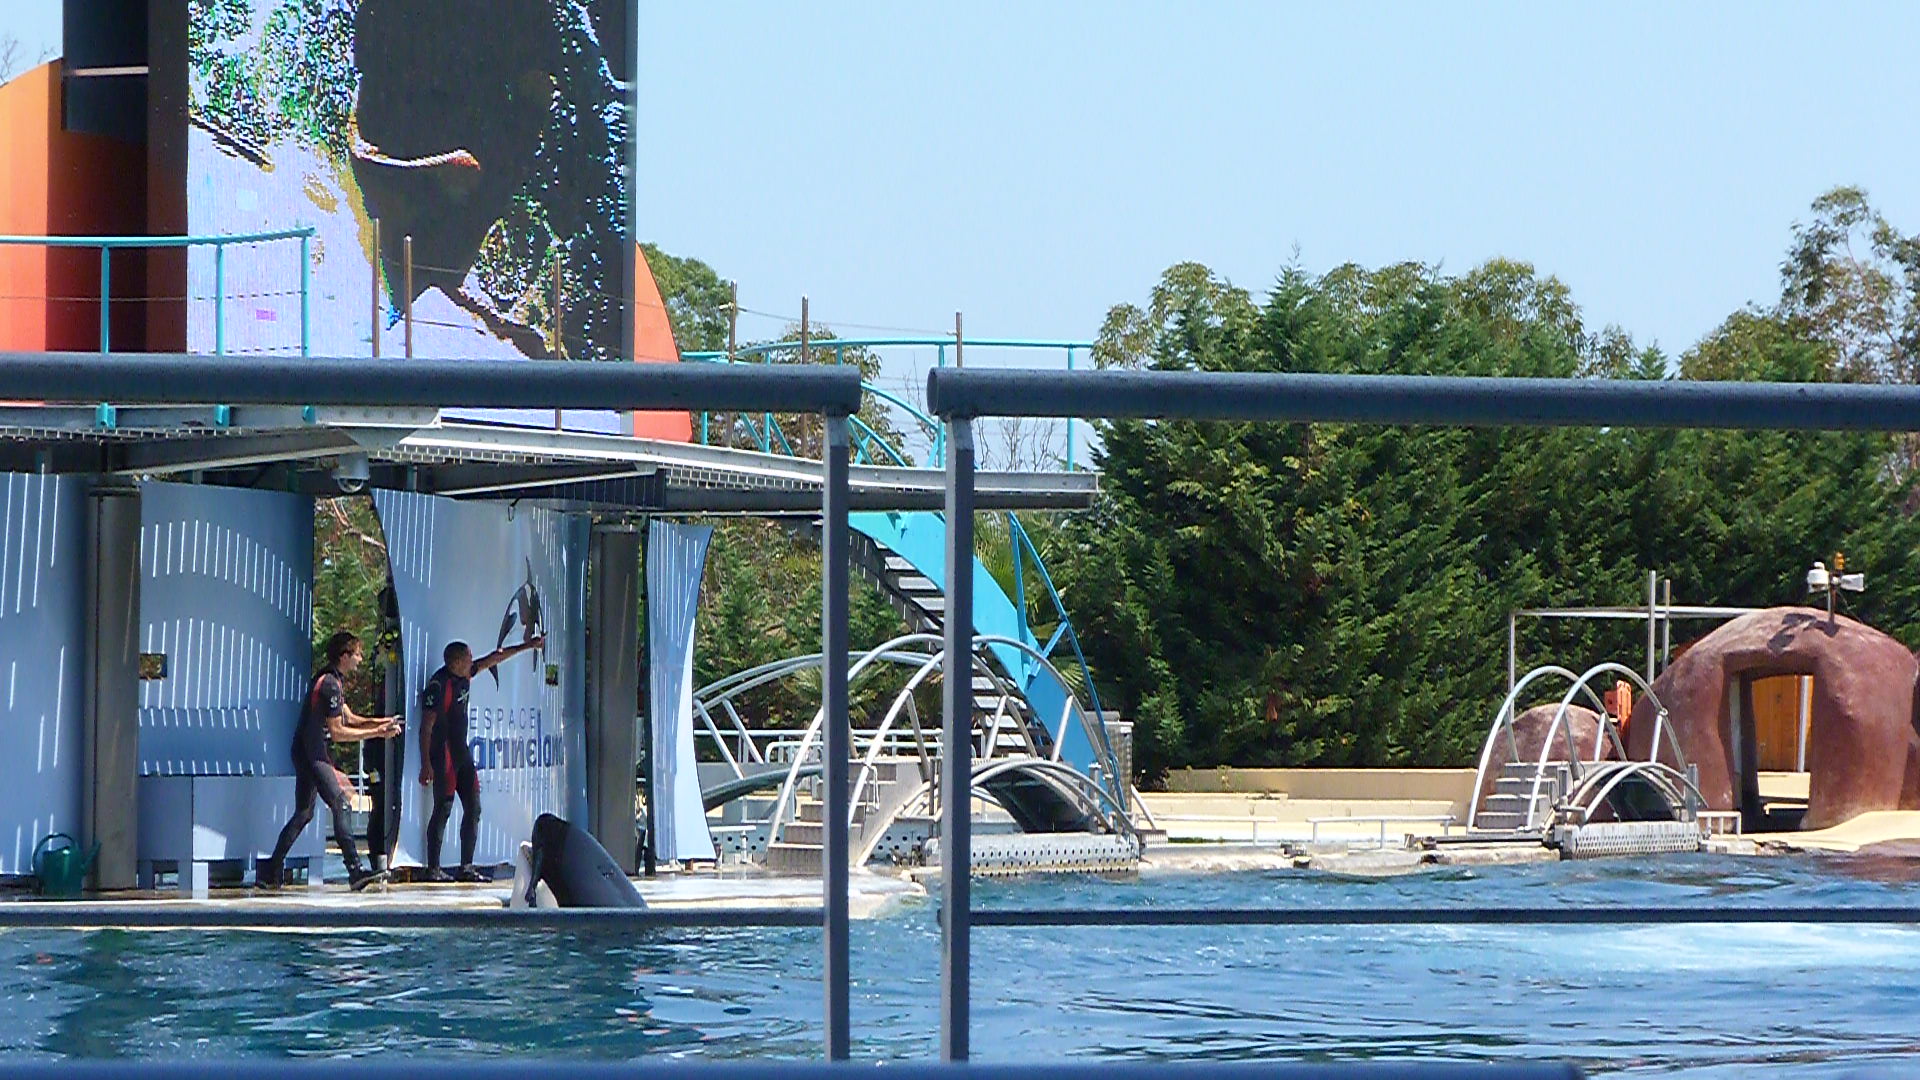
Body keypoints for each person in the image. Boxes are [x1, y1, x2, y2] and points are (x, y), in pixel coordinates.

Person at [260, 632, 402, 891]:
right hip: (311, 753)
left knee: (304, 813)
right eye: (357, 654)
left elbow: (349, 718)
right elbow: (338, 732)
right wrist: (378, 733)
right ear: (344, 656)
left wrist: (384, 721)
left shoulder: (331, 678)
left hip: (308, 750)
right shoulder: (329, 684)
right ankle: (355, 871)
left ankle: (270, 869)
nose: (360, 660)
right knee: (341, 804)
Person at [419, 635, 544, 882]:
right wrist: (426, 764)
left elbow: (494, 658)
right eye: (468, 657)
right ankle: (433, 869)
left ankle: (466, 867)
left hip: (461, 752)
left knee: (474, 808)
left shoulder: (465, 675)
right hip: (443, 753)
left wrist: (528, 645)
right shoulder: (438, 684)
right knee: (443, 809)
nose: (472, 661)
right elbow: (426, 727)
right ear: (456, 662)